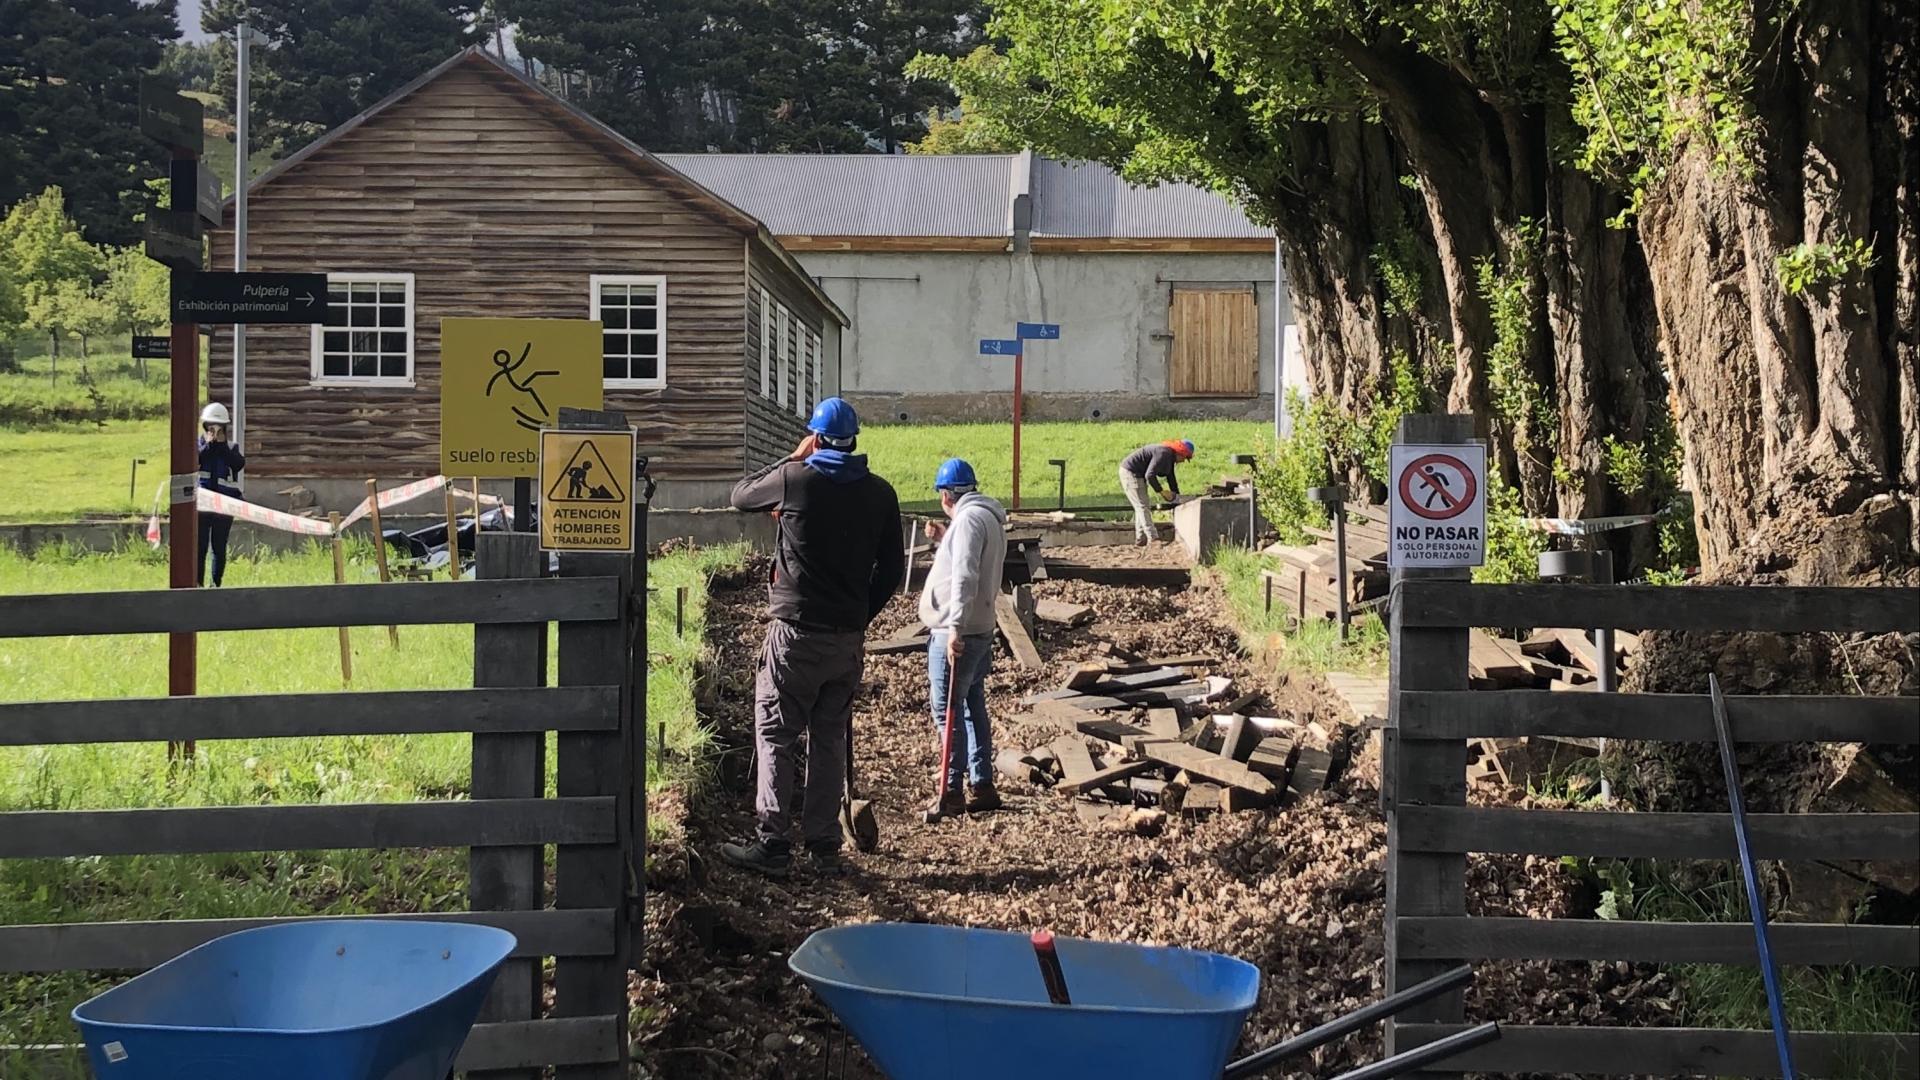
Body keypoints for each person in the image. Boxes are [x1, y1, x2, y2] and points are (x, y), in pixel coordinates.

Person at [719, 397, 905, 878]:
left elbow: (741, 495)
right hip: (846, 639)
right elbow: (893, 571)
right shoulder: (881, 494)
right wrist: (860, 615)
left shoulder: (796, 480)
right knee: (827, 738)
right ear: (855, 441)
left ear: (816, 438)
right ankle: (823, 845)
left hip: (794, 634)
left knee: (776, 732)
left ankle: (773, 843)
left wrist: (793, 458)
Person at [917, 458, 1009, 821]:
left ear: (945, 494)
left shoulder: (969, 521)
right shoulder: (983, 517)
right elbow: (969, 560)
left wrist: (954, 626)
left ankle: (951, 790)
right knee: (972, 704)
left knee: (948, 710)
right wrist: (945, 538)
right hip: (981, 626)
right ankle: (982, 783)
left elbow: (966, 575)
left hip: (959, 631)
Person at [196, 402, 245, 587]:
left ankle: (216, 584)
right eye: (210, 426)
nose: (213, 430)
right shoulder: (199, 445)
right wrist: (208, 446)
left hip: (224, 506)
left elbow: (238, 464)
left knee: (219, 547)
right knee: (199, 547)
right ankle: (198, 584)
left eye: (218, 427)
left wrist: (222, 445)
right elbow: (196, 460)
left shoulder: (231, 447)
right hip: (202, 505)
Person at [1119, 439, 1194, 546]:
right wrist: (1161, 491)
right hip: (1131, 472)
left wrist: (1176, 497)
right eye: (1185, 457)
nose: (1183, 461)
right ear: (1180, 452)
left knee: (1141, 506)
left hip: (1136, 473)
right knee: (1142, 506)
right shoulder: (1164, 454)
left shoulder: (1169, 456)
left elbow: (1171, 478)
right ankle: (1153, 538)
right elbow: (1150, 475)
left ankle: (1140, 539)